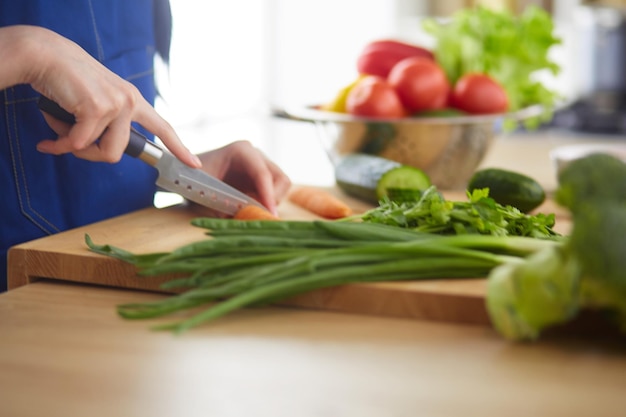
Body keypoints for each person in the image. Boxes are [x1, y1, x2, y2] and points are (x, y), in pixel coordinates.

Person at [0, 1, 292, 292]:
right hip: (19, 288)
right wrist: (28, 51)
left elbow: (111, 122)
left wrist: (186, 177)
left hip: (128, 270)